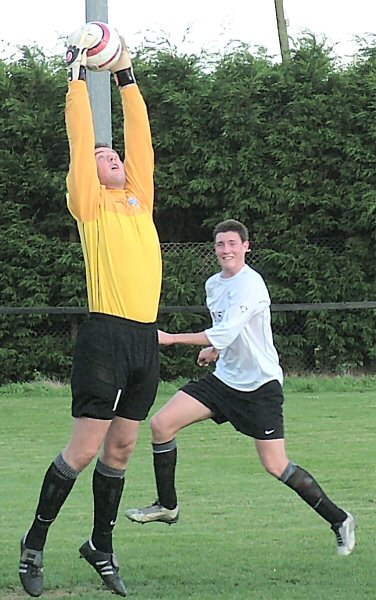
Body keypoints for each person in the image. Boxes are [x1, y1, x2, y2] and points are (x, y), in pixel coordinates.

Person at [18, 27, 161, 598]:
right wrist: (78, 76)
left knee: (123, 448)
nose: (114, 156)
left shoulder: (137, 199)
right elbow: (82, 143)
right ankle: (34, 545)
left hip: (144, 341)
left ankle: (101, 545)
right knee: (83, 449)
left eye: (116, 154)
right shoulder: (93, 206)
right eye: (106, 156)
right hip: (104, 336)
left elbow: (141, 137)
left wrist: (125, 74)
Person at [125, 219, 356, 558]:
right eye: (220, 244)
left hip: (260, 386)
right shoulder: (213, 285)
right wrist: (215, 349)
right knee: (161, 425)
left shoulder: (251, 284)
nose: (226, 250)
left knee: (276, 465)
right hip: (224, 381)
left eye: (233, 243)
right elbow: (227, 329)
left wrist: (171, 339)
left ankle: (340, 520)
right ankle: (167, 506)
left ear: (246, 247)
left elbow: (226, 330)